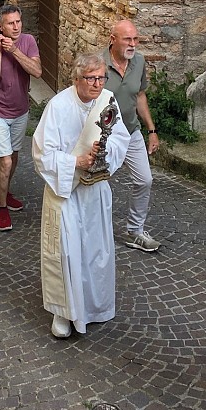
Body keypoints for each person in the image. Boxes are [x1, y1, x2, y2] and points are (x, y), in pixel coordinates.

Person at [32, 53, 131, 338]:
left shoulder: (107, 101)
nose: (98, 84)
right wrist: (76, 162)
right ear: (77, 79)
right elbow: (41, 155)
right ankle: (63, 313)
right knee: (66, 252)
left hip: (95, 190)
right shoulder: (58, 106)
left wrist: (103, 154)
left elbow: (121, 138)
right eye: (91, 78)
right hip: (66, 193)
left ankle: (94, 307)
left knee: (95, 251)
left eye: (101, 78)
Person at [0, 3, 42, 232]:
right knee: (5, 161)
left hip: (20, 111)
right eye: (10, 23)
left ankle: (3, 192)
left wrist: (15, 51)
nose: (16, 27)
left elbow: (37, 72)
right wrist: (0, 51)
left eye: (18, 21)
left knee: (13, 157)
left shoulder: (28, 41)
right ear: (1, 26)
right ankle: (1, 208)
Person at [105, 19, 161, 252]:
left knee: (144, 180)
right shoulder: (98, 63)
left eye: (135, 39)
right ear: (113, 39)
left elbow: (139, 96)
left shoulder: (138, 62)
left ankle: (135, 231)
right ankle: (93, 229)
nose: (133, 44)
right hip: (104, 135)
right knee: (97, 184)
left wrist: (152, 130)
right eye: (127, 39)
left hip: (130, 131)